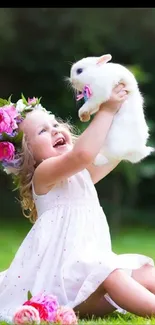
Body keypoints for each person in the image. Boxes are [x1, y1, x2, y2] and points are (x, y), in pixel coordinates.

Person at [0, 85, 155, 323]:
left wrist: (123, 107)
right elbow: (83, 154)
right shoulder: (43, 174)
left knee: (144, 272)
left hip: (91, 281)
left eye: (54, 124)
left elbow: (115, 151)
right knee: (110, 273)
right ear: (28, 155)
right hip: (65, 286)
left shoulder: (79, 175)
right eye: (42, 131)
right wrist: (108, 110)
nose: (54, 130)